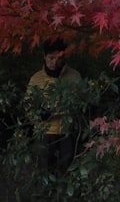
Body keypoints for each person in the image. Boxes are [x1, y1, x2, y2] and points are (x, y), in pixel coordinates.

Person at [26, 38, 82, 175]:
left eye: (58, 58)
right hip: (44, 132)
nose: (54, 63)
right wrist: (37, 114)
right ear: (44, 56)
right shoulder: (36, 79)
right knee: (44, 171)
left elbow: (82, 102)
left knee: (67, 171)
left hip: (67, 131)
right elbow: (28, 106)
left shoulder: (74, 77)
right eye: (51, 58)